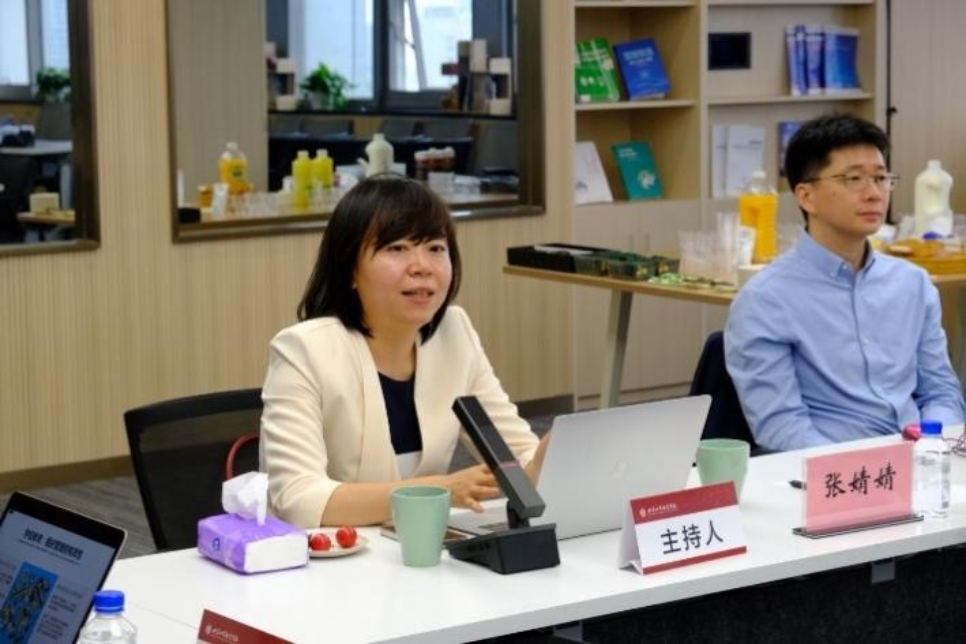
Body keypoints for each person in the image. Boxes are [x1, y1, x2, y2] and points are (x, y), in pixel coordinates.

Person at [260, 174, 549, 528]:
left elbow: (519, 459)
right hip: (325, 564)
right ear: (350, 270)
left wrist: (556, 451)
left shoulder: (453, 334)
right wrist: (438, 489)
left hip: (415, 554)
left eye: (435, 248)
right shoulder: (305, 350)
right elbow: (299, 500)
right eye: (397, 248)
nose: (422, 266)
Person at [725, 113, 964, 452]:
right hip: (832, 478)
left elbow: (940, 391)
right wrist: (869, 472)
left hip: (924, 464)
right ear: (806, 197)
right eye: (854, 179)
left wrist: (934, 447)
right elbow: (781, 426)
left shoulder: (913, 284)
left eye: (881, 178)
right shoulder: (765, 300)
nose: (874, 194)